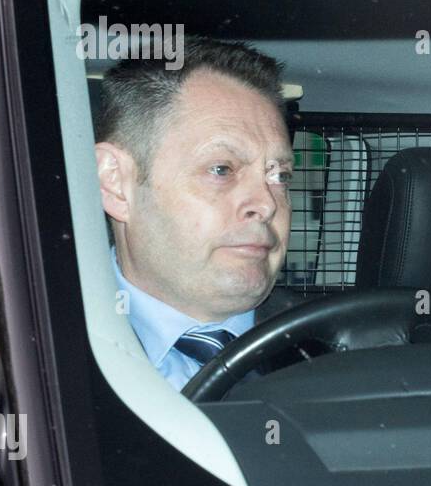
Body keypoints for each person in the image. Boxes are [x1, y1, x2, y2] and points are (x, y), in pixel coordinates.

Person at [95, 36, 299, 390]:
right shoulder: (34, 362)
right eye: (221, 169)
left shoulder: (338, 353)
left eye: (279, 176)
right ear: (116, 184)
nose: (266, 204)